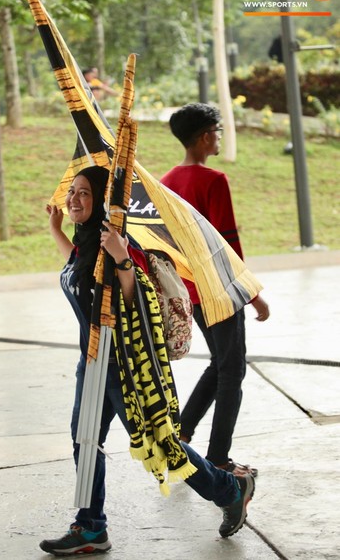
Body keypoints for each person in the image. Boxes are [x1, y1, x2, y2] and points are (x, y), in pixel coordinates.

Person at [40, 165, 255, 556]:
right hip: (91, 363)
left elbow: (138, 302)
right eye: (72, 191)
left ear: (103, 200)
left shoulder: (120, 246)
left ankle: (229, 490)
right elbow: (79, 275)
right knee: (84, 442)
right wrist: (56, 229)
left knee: (161, 444)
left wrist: (123, 259)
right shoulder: (86, 244)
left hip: (123, 365)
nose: (73, 199)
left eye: (84, 193)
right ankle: (91, 527)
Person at [161, 103, 270, 478]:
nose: (219, 138)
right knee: (232, 371)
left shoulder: (166, 182)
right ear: (206, 136)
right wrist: (252, 293)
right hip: (220, 290)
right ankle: (219, 459)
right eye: (218, 132)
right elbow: (227, 243)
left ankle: (180, 433)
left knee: (220, 364)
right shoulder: (214, 180)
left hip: (189, 290)